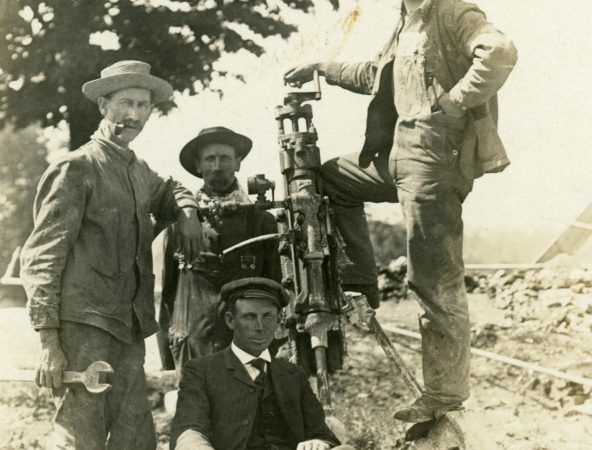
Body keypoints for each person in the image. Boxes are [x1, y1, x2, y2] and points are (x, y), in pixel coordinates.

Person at [284, 0, 517, 423]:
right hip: (395, 154)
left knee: (433, 277)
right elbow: (375, 75)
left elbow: (500, 52)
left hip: (434, 160)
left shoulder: (453, 13)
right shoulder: (406, 21)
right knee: (330, 179)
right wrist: (321, 66)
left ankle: (445, 393)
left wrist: (454, 101)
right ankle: (359, 279)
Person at [19, 60, 203, 449]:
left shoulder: (137, 170)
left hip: (129, 329)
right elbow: (41, 259)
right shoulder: (76, 168)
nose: (133, 115)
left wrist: (186, 211)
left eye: (142, 105)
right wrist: (50, 343)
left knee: (134, 439)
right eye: (125, 103)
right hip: (82, 331)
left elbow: (168, 188)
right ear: (103, 106)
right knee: (79, 439)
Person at [170, 277, 355, 450]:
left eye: (267, 317)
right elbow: (189, 429)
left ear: (278, 321)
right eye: (249, 317)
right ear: (230, 320)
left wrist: (318, 442)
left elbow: (322, 433)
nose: (260, 327)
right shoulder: (202, 370)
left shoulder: (293, 374)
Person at [158, 127, 281, 372]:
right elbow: (168, 293)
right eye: (209, 159)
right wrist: (168, 351)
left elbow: (274, 286)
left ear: (238, 162)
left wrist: (270, 344)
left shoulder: (261, 221)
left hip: (245, 344)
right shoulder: (181, 223)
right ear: (198, 165)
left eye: (224, 158)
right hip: (195, 343)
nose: (217, 166)